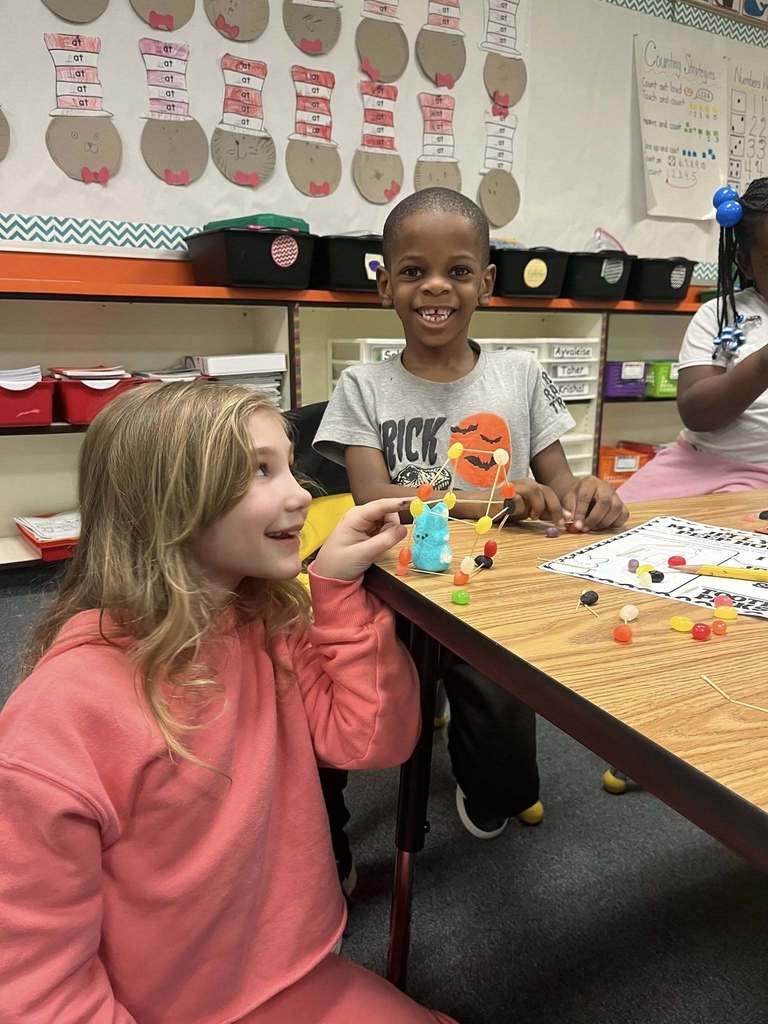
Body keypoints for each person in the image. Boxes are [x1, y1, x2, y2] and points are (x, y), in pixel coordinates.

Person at [0, 381, 457, 1024]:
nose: (301, 494)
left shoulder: (263, 622)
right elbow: (34, 989)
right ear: (167, 503)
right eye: (259, 472)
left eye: (290, 466)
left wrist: (336, 590)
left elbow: (373, 738)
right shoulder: (60, 721)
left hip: (293, 972)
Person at [314, 187, 628, 842]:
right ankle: (331, 833)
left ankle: (486, 775)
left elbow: (562, 485)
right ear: (384, 286)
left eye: (457, 271)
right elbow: (376, 504)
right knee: (347, 712)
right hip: (396, 593)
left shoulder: (520, 374)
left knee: (507, 769)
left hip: (495, 594)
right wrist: (481, 499)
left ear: (485, 283)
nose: (435, 288)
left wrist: (590, 496)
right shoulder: (361, 387)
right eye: (412, 271)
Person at [618, 177, 768, 501]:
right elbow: (697, 413)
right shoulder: (723, 313)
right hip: (696, 460)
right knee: (613, 523)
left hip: (761, 478)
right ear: (746, 262)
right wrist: (762, 365)